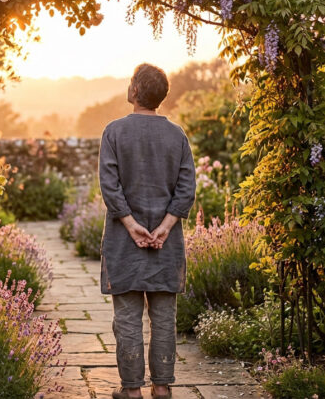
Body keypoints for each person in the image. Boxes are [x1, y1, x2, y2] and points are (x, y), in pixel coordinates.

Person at [98, 63, 196, 399]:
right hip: (165, 247)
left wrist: (130, 224)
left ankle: (131, 391)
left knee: (127, 319)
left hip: (125, 244)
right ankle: (162, 387)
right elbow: (186, 189)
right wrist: (165, 228)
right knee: (164, 318)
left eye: (130, 82)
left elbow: (109, 186)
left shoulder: (114, 132)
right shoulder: (177, 135)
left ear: (136, 91)